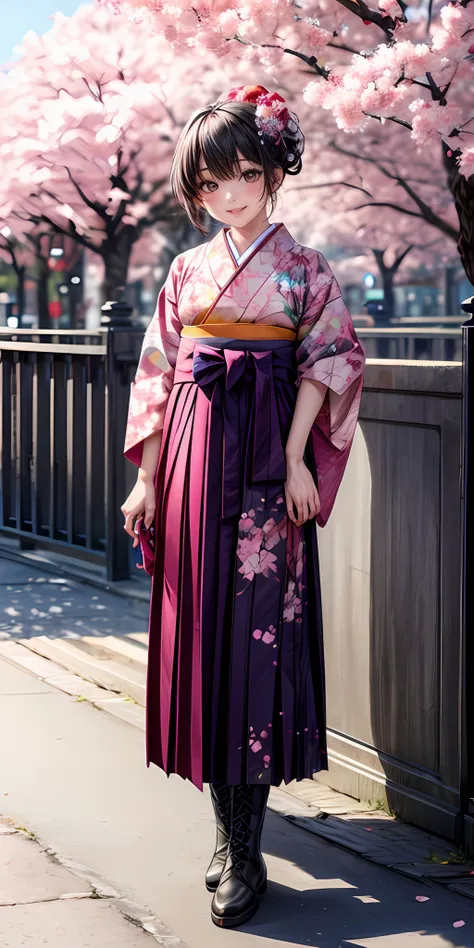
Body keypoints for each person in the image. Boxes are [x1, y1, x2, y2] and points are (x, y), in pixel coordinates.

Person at [121, 85, 366, 929]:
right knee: (206, 635)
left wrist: (299, 456)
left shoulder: (304, 270)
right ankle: (225, 837)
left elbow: (328, 362)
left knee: (258, 640)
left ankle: (247, 846)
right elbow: (157, 377)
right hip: (190, 455)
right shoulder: (185, 273)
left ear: (273, 176)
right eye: (213, 185)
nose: (232, 196)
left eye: (246, 176)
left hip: (267, 463)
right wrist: (148, 478)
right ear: (196, 193)